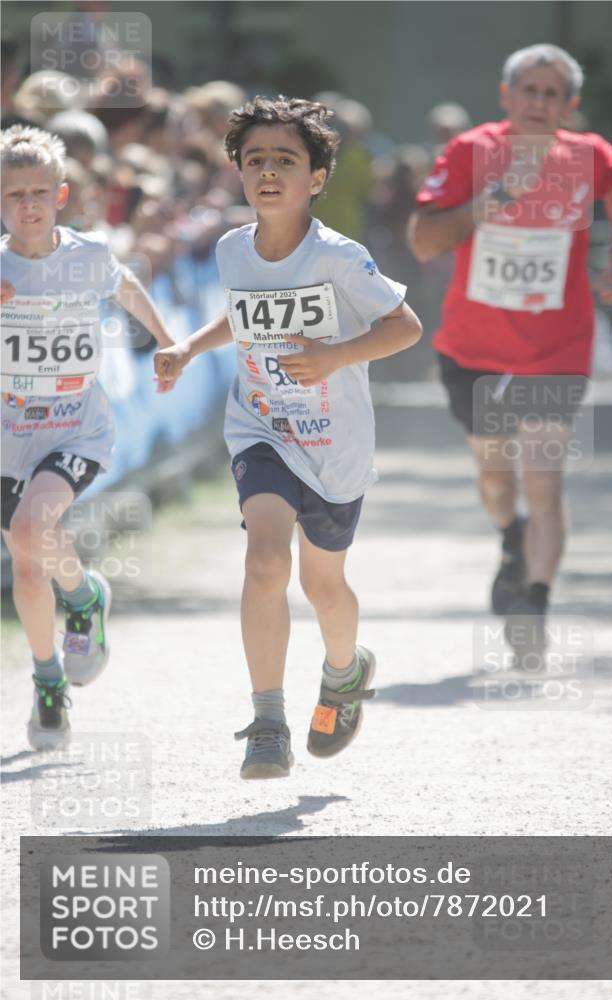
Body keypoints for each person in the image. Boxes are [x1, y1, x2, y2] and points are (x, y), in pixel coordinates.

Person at [155, 96, 422, 779]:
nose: (268, 172)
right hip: (261, 429)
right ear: (238, 174)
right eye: (255, 161)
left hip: (335, 443)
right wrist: (188, 346)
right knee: (266, 561)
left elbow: (405, 329)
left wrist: (334, 356)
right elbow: (241, 319)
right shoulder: (229, 248)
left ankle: (344, 672)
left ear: (317, 178)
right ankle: (268, 720)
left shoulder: (339, 256)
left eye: (286, 160)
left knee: (324, 585)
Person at [408, 44, 612, 663]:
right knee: (495, 478)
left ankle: (534, 606)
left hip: (556, 347)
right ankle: (511, 539)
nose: (540, 102)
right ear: (507, 96)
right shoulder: (469, 152)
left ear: (571, 105)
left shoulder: (587, 157)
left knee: (543, 477)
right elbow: (424, 238)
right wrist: (482, 207)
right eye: (529, 90)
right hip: (474, 347)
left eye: (552, 93)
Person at [1, 125, 178, 750]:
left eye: (39, 192)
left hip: (77, 427)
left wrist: (167, 342)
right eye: (15, 193)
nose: (28, 204)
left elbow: (127, 288)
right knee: (27, 560)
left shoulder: (89, 254)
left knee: (29, 531)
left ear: (62, 195)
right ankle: (49, 681)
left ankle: (79, 598)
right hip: (7, 439)